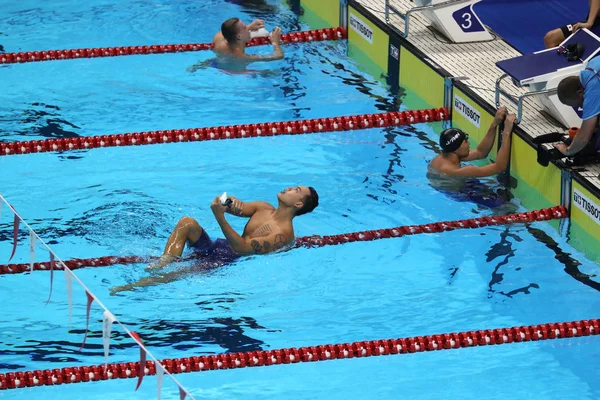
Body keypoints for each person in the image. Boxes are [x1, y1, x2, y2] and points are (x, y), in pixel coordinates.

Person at [110, 186, 319, 294]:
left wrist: (219, 217)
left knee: (176, 275)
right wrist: (225, 202)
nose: (289, 188)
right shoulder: (263, 207)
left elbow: (245, 249)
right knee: (187, 223)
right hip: (220, 246)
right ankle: (165, 260)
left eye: (296, 190)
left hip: (226, 261)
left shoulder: (284, 233)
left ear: (299, 204)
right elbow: (238, 206)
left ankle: (129, 288)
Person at [427, 107, 516, 209]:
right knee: (508, 208)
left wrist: (495, 123)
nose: (469, 143)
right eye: (465, 141)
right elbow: (500, 167)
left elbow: (480, 152)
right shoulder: (458, 171)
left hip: (449, 183)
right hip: (458, 192)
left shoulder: (446, 156)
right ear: (457, 148)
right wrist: (507, 132)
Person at [554, 57, 600, 157]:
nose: (582, 107)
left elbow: (583, 138)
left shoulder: (593, 91)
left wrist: (568, 151)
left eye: (580, 104)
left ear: (580, 93)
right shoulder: (591, 66)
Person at [212, 17, 284, 69]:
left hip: (215, 63)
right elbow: (278, 56)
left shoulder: (218, 39)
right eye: (244, 27)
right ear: (239, 36)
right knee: (270, 73)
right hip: (234, 71)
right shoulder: (242, 57)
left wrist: (250, 26)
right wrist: (275, 42)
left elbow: (227, 30)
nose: (248, 28)